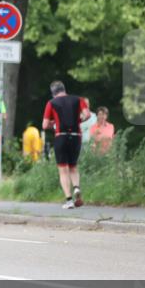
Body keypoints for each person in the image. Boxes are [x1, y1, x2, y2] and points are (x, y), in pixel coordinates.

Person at [42, 80, 90, 209]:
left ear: (53, 93)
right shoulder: (78, 99)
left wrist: (54, 124)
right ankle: (76, 187)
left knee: (63, 170)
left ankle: (69, 200)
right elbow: (87, 115)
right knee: (73, 166)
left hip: (61, 136)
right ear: (64, 89)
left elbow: (44, 125)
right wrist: (78, 120)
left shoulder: (51, 103)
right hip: (76, 136)